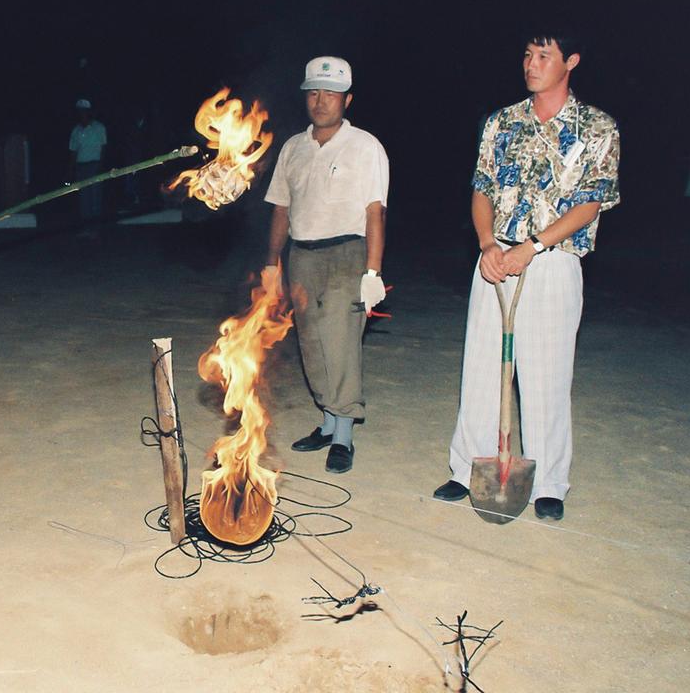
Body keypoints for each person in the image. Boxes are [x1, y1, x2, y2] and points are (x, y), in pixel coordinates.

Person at [432, 31, 620, 521]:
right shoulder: (502, 122)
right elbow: (482, 189)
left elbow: (590, 203)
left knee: (547, 374)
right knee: (480, 368)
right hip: (495, 260)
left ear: (570, 61)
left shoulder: (597, 127)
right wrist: (487, 244)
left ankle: (549, 482)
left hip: (551, 261)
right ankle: (466, 469)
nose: (531, 64)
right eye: (527, 55)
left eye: (544, 56)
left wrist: (533, 246)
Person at [265, 56, 389, 474]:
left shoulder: (365, 146)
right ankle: (328, 421)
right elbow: (281, 209)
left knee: (340, 342)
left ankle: (344, 434)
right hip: (302, 255)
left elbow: (375, 212)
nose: (320, 101)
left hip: (347, 254)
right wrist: (271, 264)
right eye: (314, 92)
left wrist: (372, 272)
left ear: (347, 99)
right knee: (311, 342)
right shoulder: (293, 148)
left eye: (331, 93)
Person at [68, 99, 108, 221]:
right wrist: (72, 170)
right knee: (83, 197)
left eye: (84, 111)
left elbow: (104, 147)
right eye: (79, 111)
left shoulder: (99, 127)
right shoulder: (76, 130)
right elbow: (73, 151)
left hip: (95, 165)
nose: (81, 114)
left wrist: (101, 165)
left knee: (95, 195)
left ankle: (96, 224)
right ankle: (86, 224)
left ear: (89, 112)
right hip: (81, 167)